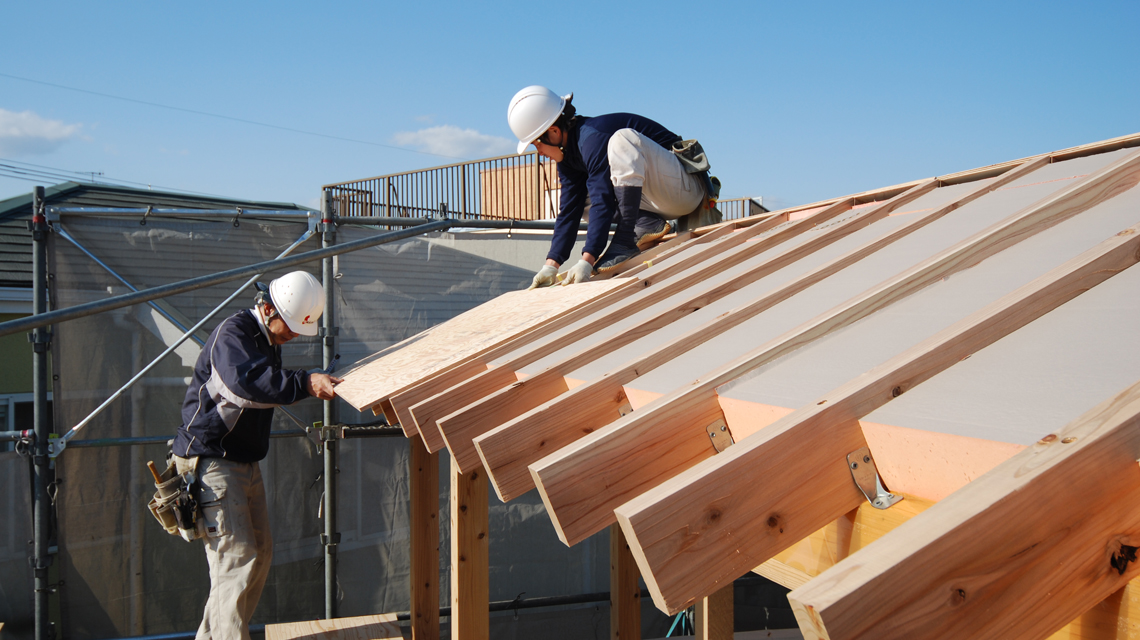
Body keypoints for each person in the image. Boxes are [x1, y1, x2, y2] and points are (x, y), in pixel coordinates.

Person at [170, 270, 341, 640]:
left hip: (240, 461)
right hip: (212, 460)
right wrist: (306, 382)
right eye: (292, 326)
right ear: (267, 308)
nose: (294, 335)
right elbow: (245, 384)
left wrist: (306, 380)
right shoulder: (233, 335)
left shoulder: (264, 339)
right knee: (235, 562)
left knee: (258, 554)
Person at [508, 85, 710, 288]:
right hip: (658, 198)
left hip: (686, 189)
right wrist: (551, 264)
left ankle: (625, 239)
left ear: (554, 132)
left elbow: (602, 200)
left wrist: (588, 259)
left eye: (537, 144)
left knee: (622, 140)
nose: (539, 152)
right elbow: (569, 211)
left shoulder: (592, 138)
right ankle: (647, 223)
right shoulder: (568, 159)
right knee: (581, 200)